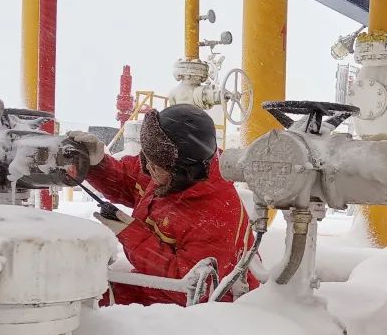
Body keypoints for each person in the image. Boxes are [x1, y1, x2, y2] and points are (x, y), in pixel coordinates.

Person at [66, 104, 258, 306]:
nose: (148, 168)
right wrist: (98, 164)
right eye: (146, 158)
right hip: (158, 287)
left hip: (209, 310)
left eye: (155, 165)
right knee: (82, 293)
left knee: (90, 304)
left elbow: (188, 286)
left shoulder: (215, 216)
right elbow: (126, 179)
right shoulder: (168, 167)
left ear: (183, 172)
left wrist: (131, 233)